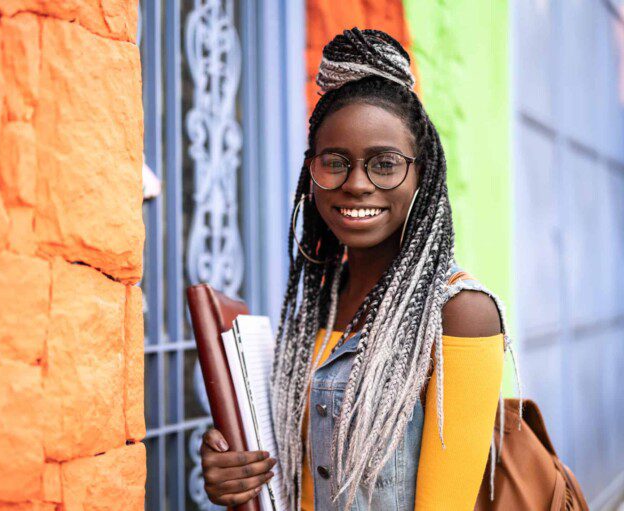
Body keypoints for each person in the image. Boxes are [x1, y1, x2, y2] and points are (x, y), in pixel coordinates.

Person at [199, 27, 521, 511]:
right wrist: (233, 478)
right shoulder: (314, 306)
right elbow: (290, 476)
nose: (356, 184)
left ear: (422, 175)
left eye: (385, 164)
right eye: (335, 162)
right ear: (312, 173)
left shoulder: (460, 313)